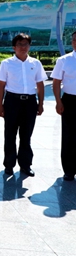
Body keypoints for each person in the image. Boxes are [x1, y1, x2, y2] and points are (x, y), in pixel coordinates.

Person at [0, 33, 46, 177]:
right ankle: (9, 164)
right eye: (20, 44)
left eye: (26, 44)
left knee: (26, 135)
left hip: (29, 102)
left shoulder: (35, 63)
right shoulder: (6, 63)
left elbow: (40, 85)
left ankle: (25, 165)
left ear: (29, 46)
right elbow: (1, 86)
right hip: (12, 101)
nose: (23, 47)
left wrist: (40, 103)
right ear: (14, 47)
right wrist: (0, 105)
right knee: (10, 134)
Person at [51, 31, 76, 181]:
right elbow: (56, 82)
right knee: (69, 136)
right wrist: (58, 101)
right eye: (74, 40)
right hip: (70, 101)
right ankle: (69, 170)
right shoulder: (64, 60)